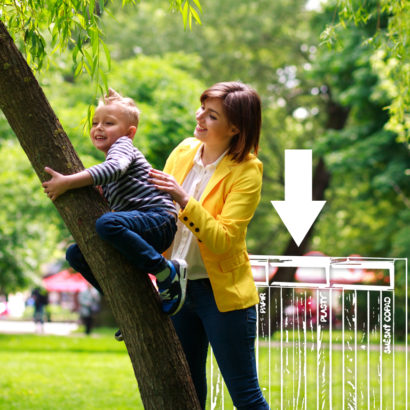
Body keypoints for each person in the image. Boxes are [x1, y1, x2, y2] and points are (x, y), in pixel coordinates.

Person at [149, 81, 269, 409]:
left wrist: (183, 198)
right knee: (188, 392)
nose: (200, 116)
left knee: (245, 395)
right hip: (177, 289)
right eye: (202, 107)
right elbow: (157, 209)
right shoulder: (184, 150)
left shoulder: (247, 171)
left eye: (211, 114)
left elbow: (222, 241)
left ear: (235, 127)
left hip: (223, 297)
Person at [42, 88, 187, 340]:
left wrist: (68, 182)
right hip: (138, 227)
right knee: (76, 253)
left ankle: (166, 272)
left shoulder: (123, 148)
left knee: (106, 224)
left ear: (129, 133)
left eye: (109, 123)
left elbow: (113, 168)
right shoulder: (113, 163)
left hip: (157, 220)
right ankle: (128, 306)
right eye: (95, 122)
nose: (99, 128)